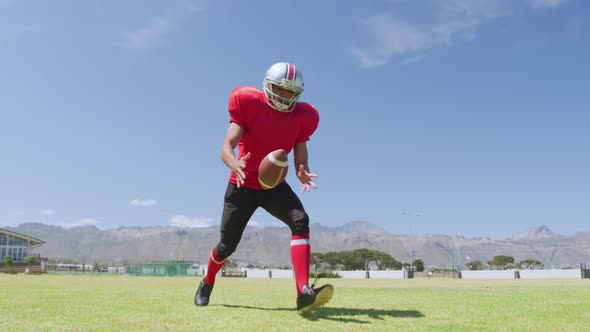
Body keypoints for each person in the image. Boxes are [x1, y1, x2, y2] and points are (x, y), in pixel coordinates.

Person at [194, 62, 333, 315]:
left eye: (290, 92)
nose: (284, 96)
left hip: (274, 185)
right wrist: (233, 162)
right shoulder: (249, 103)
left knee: (300, 220)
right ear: (268, 86)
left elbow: (300, 154)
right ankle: (208, 281)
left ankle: (303, 291)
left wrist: (301, 169)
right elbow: (227, 145)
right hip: (243, 183)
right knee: (227, 246)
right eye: (280, 89)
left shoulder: (304, 116)